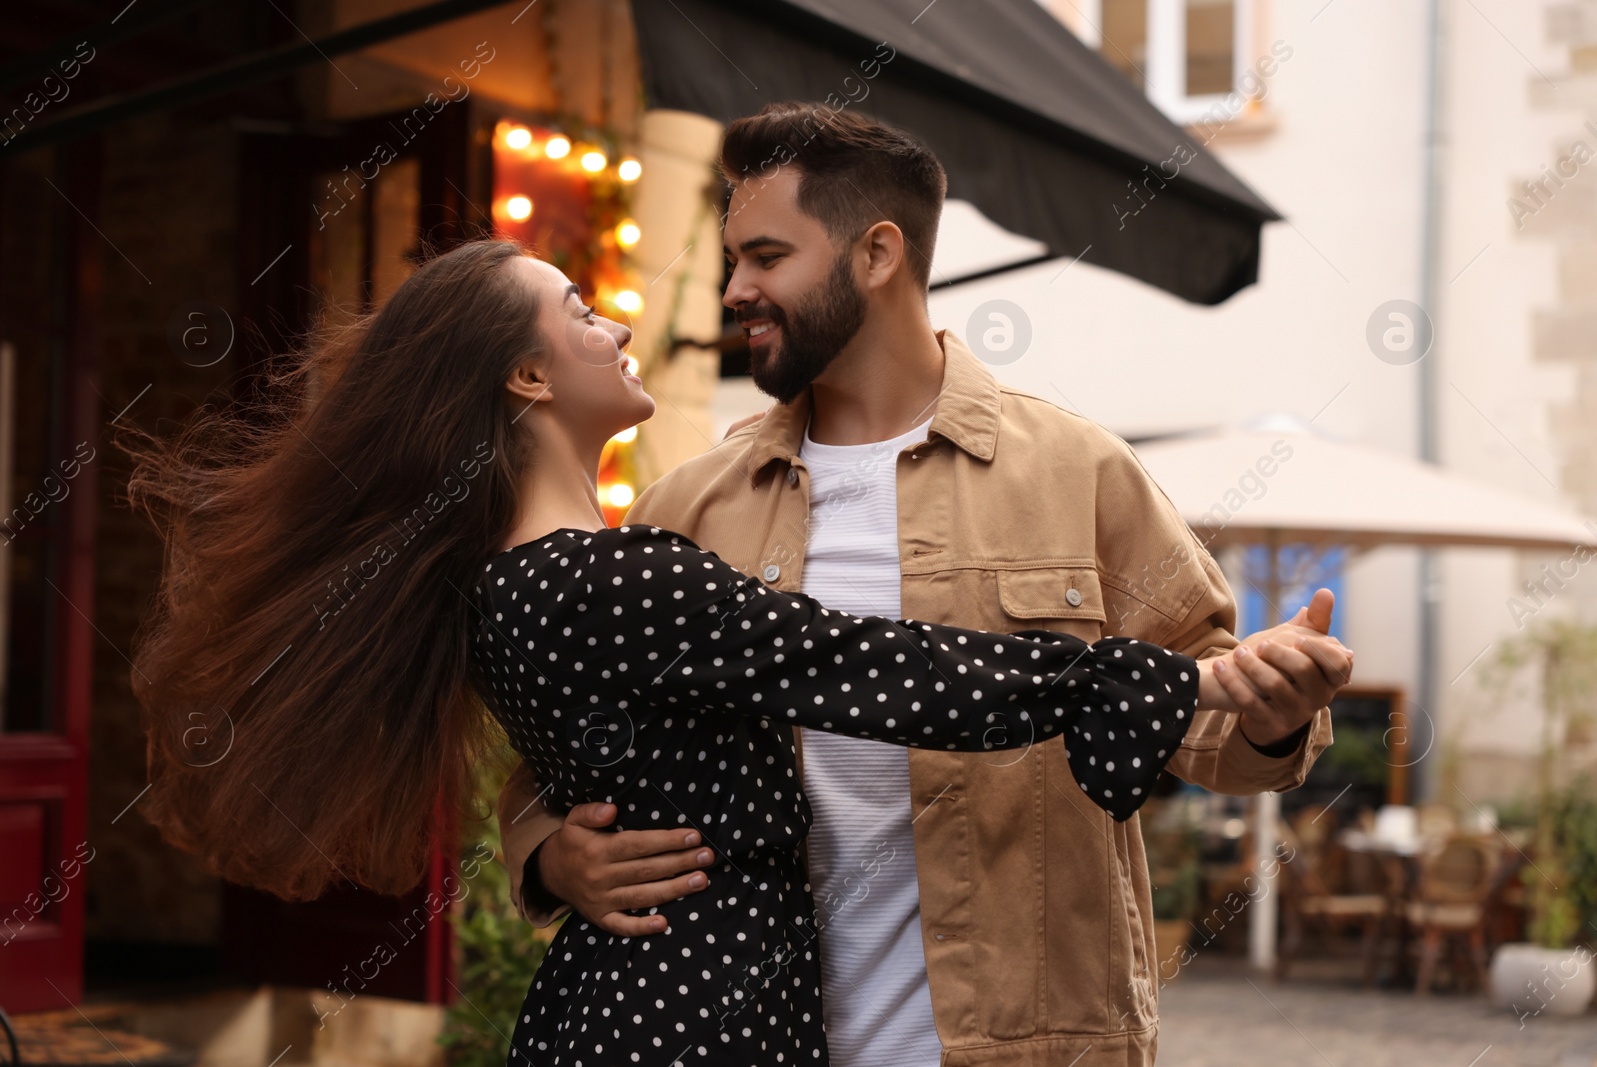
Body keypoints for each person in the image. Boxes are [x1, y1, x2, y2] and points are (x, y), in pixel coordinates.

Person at [118, 239, 1333, 1066]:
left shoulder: (520, 581)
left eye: (764, 254)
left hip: (658, 1000)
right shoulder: (628, 564)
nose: (625, 318)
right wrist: (1162, 677)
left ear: (877, 252)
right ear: (529, 375)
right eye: (582, 312)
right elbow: (880, 669)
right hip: (690, 1016)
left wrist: (1212, 689)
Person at [495, 102, 1350, 1067]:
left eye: (766, 256)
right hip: (756, 1040)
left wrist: (1274, 710)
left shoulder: (1076, 470)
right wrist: (548, 853)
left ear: (877, 253)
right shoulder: (681, 511)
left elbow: (1200, 698)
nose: (734, 290)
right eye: (732, 258)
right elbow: (562, 751)